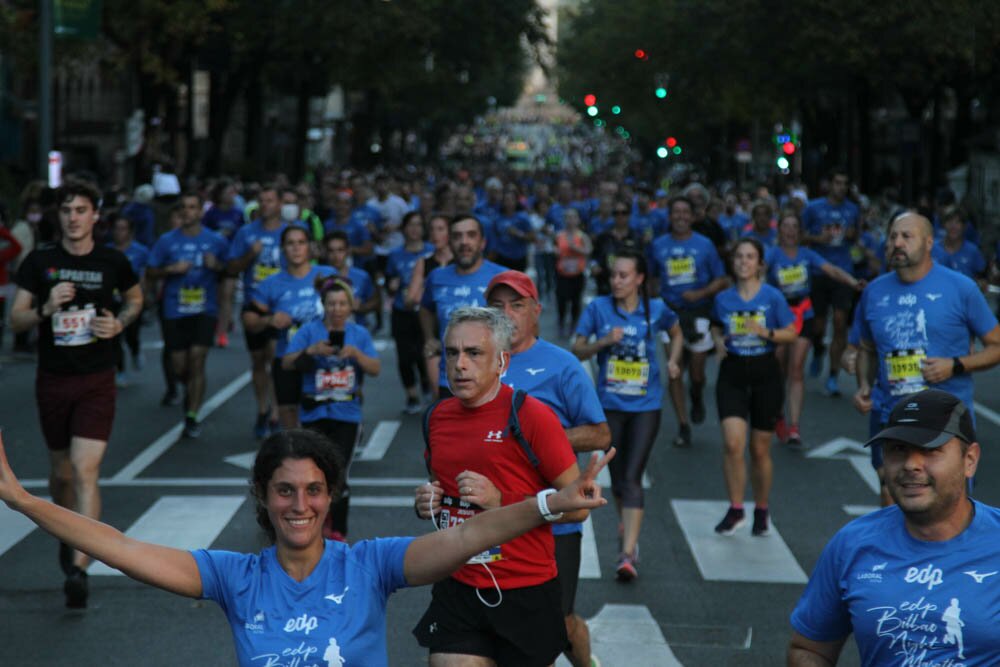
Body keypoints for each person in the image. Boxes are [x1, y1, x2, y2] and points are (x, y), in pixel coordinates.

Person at [0, 427, 613, 667]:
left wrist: (554, 504)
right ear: (263, 499)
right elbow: (116, 545)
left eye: (314, 491)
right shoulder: (232, 575)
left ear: (331, 497)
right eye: (285, 491)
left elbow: (471, 534)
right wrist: (24, 502)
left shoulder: (370, 565)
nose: (300, 505)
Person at [413, 306, 589, 667]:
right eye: (452, 353)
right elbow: (445, 490)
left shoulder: (531, 416)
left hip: (525, 588)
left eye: (474, 353)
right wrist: (430, 500)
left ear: (501, 362)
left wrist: (500, 500)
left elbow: (579, 506)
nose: (460, 364)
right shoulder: (436, 417)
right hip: (458, 586)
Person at [787, 389, 1000, 666]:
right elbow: (809, 649)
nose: (911, 464)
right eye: (898, 449)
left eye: (930, 450)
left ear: (969, 460)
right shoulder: (853, 544)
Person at [9, 180, 143, 608]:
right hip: (53, 379)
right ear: (59, 216)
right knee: (62, 475)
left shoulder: (112, 261)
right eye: (67, 210)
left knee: (86, 471)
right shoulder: (41, 261)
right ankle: (68, 534)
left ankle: (81, 567)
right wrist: (46, 308)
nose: (73, 217)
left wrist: (119, 323)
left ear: (95, 215)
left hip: (97, 378)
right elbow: (16, 320)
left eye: (82, 209)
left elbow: (136, 299)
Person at [486, 270, 611, 667]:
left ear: (536, 312)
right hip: (492, 517)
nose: (506, 314)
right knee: (495, 620)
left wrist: (538, 437)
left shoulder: (562, 365)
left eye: (517, 305)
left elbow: (600, 433)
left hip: (554, 518)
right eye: (497, 306)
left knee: (557, 621)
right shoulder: (475, 362)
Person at [853, 212, 1000, 501]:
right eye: (893, 236)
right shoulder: (874, 292)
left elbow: (997, 345)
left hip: (945, 418)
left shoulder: (960, 288)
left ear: (929, 242)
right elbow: (867, 349)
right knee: (891, 496)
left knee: (948, 507)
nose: (897, 243)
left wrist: (955, 365)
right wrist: (863, 386)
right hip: (891, 413)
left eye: (907, 236)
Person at [573, 249, 683, 579]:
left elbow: (676, 332)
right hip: (608, 407)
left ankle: (627, 553)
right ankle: (629, 528)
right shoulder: (598, 308)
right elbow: (577, 348)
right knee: (619, 480)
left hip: (645, 406)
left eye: (623, 275)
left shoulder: (657, 309)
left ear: (639, 279)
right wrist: (603, 342)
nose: (616, 281)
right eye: (613, 275)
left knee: (632, 477)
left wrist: (674, 360)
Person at [283, 277, 379, 541]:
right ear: (323, 305)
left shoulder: (359, 334)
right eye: (331, 304)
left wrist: (357, 355)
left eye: (342, 304)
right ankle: (320, 522)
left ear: (350, 307)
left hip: (347, 414)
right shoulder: (308, 331)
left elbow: (376, 369)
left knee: (338, 471)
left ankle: (339, 529)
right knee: (315, 471)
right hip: (314, 412)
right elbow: (286, 363)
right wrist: (312, 351)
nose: (337, 309)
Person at [711, 238, 796, 536]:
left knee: (759, 449)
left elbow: (791, 332)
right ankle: (736, 508)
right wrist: (719, 342)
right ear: (733, 263)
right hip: (733, 372)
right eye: (739, 257)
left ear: (760, 264)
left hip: (765, 374)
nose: (744, 262)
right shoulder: (723, 299)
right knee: (733, 443)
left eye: (750, 257)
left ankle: (761, 507)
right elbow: (715, 326)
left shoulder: (772, 297)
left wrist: (766, 332)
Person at [765, 213, 861, 448]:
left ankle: (794, 426)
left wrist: (853, 282)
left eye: (794, 227)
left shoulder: (807, 255)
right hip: (778, 316)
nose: (789, 231)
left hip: (802, 314)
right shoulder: (771, 254)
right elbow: (756, 276)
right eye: (785, 226)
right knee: (779, 369)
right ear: (779, 231)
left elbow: (831, 270)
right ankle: (778, 414)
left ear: (799, 232)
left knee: (796, 368)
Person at [647, 195, 728, 448]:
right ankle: (683, 424)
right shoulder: (658, 245)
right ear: (669, 216)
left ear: (692, 216)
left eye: (685, 212)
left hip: (699, 312)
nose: (681, 216)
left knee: (697, 372)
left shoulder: (705, 245)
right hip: (670, 313)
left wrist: (700, 293)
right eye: (676, 212)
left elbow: (722, 279)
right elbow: (649, 278)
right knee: (674, 370)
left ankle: (696, 393)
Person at [146, 192, 229, 438]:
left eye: (193, 207)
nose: (188, 212)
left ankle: (192, 415)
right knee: (179, 365)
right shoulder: (167, 241)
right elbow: (151, 271)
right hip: (174, 309)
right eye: (184, 207)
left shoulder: (215, 241)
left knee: (197, 358)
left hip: (205, 309)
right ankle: (190, 389)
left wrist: (218, 266)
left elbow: (230, 271)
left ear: (201, 211)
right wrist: (171, 269)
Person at [228, 184, 301, 438]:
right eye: (262, 200)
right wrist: (251, 254)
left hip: (281, 304)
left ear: (280, 203)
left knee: (275, 355)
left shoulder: (290, 233)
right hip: (255, 303)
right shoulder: (246, 233)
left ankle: (276, 413)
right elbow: (232, 267)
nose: (266, 205)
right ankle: (262, 408)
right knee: (259, 360)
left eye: (271, 200)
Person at [245, 225, 334, 430]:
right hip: (288, 358)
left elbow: (348, 305)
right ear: (283, 248)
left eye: (301, 243)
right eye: (290, 243)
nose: (296, 248)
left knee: (325, 415)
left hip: (325, 357)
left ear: (310, 247)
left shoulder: (326, 275)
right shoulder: (271, 284)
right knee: (290, 416)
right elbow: (249, 320)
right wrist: (269, 320)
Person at [419, 215, 507, 398]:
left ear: (482, 242)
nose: (464, 242)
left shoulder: (503, 278)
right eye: (457, 236)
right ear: (449, 242)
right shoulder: (436, 277)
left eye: (471, 235)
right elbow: (425, 308)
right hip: (450, 381)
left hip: (492, 381)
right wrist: (429, 338)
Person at [802, 167, 860, 396]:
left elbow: (856, 235)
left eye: (845, 183)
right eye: (837, 182)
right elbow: (800, 236)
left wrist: (850, 236)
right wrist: (819, 238)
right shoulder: (813, 208)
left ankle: (833, 375)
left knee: (839, 321)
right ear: (829, 185)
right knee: (817, 323)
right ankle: (817, 349)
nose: (841, 187)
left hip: (843, 271)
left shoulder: (853, 209)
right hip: (818, 272)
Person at [385, 211, 434, 413]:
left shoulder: (431, 252)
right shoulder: (395, 255)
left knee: (425, 350)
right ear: (404, 229)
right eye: (410, 225)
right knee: (404, 355)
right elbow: (388, 283)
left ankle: (426, 381)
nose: (414, 229)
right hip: (402, 311)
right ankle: (412, 396)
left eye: (418, 225)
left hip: (426, 311)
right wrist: (391, 285)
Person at [408, 213, 453, 397]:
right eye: (432, 230)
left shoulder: (462, 262)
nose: (435, 234)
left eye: (440, 229)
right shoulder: (425, 262)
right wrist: (430, 293)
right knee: (439, 391)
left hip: (457, 329)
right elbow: (410, 298)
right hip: (433, 331)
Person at [107, 212, 149, 387]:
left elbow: (145, 277)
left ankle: (136, 350)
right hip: (111, 300)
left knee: (132, 334)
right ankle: (120, 371)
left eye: (123, 229)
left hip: (131, 301)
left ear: (130, 232)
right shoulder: (106, 250)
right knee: (114, 336)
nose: (119, 232)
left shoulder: (141, 251)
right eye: (116, 229)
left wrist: (143, 296)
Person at [554, 208, 592, 339]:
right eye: (567, 217)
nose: (570, 220)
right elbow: (553, 248)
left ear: (578, 220)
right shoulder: (559, 235)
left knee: (576, 301)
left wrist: (575, 248)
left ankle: (574, 325)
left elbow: (588, 251)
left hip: (577, 274)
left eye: (573, 217)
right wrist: (555, 252)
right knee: (561, 301)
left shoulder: (582, 236)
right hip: (562, 274)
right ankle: (561, 323)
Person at [591, 201, 641, 296]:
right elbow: (594, 258)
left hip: (629, 289)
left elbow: (642, 263)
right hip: (605, 286)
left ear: (629, 215)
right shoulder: (603, 237)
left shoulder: (636, 238)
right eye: (616, 213)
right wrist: (594, 266)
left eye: (624, 212)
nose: (620, 216)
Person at [930, 206, 987, 287]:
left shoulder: (973, 251)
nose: (953, 226)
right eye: (950, 221)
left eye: (958, 222)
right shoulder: (931, 248)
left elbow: (983, 279)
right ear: (943, 224)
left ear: (964, 226)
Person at [491, 189, 534, 271]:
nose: (509, 203)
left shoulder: (523, 217)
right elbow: (495, 238)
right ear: (502, 202)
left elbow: (532, 238)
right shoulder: (498, 219)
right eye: (506, 200)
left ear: (516, 202)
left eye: (511, 200)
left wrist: (518, 234)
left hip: (519, 257)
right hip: (502, 257)